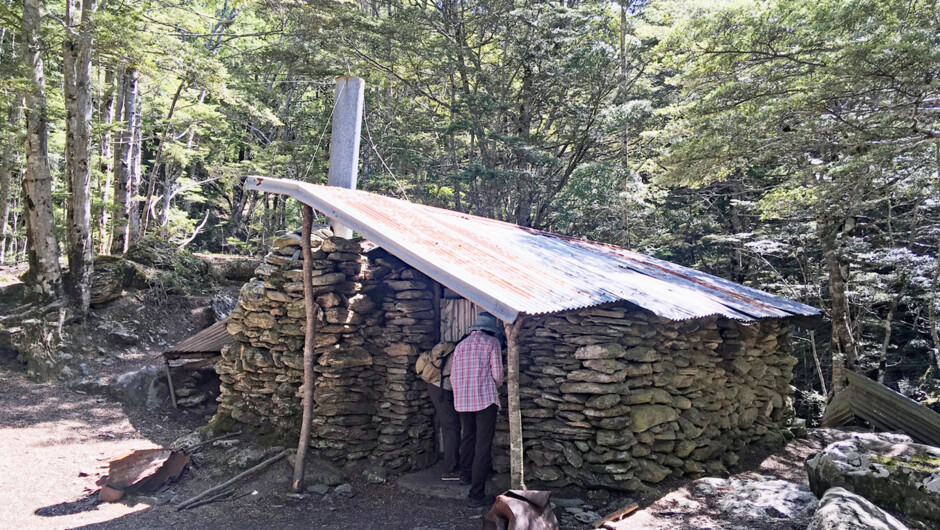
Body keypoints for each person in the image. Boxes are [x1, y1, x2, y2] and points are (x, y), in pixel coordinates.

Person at [450, 312, 503, 508]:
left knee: (468, 437)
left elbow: (453, 377)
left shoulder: (461, 346)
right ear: (491, 330)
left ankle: (465, 475)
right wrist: (494, 385)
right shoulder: (492, 343)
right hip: (485, 399)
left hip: (463, 401)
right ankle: (476, 494)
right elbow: (498, 375)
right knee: (483, 444)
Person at [424, 343, 461, 481]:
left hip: (438, 388)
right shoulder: (459, 353)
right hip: (441, 390)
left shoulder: (454, 350)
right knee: (451, 427)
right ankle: (450, 470)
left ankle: (453, 464)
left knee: (451, 427)